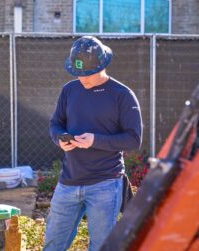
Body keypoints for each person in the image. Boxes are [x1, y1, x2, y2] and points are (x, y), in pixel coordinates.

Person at [44, 36, 142, 251]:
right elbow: (55, 124)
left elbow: (133, 139)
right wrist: (60, 139)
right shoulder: (69, 90)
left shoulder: (122, 95)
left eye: (88, 73)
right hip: (68, 182)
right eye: (78, 73)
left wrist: (95, 141)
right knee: (52, 245)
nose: (83, 78)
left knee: (101, 247)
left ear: (102, 65)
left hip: (105, 184)